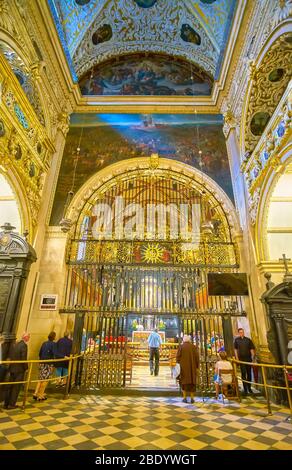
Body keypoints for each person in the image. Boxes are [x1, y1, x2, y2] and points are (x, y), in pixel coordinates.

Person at [4, 332, 30, 409]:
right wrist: (26, 368)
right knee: (16, 387)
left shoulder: (16, 344)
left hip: (12, 369)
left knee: (10, 386)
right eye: (28, 337)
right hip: (19, 370)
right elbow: (23, 358)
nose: (29, 338)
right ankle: (11, 404)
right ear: (25, 337)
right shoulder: (24, 346)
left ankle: (6, 403)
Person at [33, 331, 57, 401]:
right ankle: (40, 395)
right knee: (45, 380)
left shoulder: (44, 343)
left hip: (41, 362)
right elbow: (55, 354)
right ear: (54, 337)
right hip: (48, 364)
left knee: (40, 378)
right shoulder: (53, 344)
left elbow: (40, 353)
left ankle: (35, 393)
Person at [176, 335, 199, 403]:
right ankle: (192, 398)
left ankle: (185, 398)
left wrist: (178, 364)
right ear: (189, 340)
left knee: (184, 382)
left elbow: (178, 357)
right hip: (192, 367)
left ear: (183, 340)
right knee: (192, 382)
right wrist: (197, 367)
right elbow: (197, 358)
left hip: (183, 368)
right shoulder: (193, 347)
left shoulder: (181, 347)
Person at [234, 328, 255, 395]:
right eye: (240, 332)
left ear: (244, 332)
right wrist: (237, 358)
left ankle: (249, 387)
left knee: (249, 373)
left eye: (242, 332)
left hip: (248, 359)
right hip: (241, 360)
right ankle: (245, 388)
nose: (241, 333)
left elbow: (251, 349)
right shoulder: (236, 340)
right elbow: (235, 349)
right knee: (243, 373)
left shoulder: (248, 340)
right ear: (238, 333)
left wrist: (253, 357)